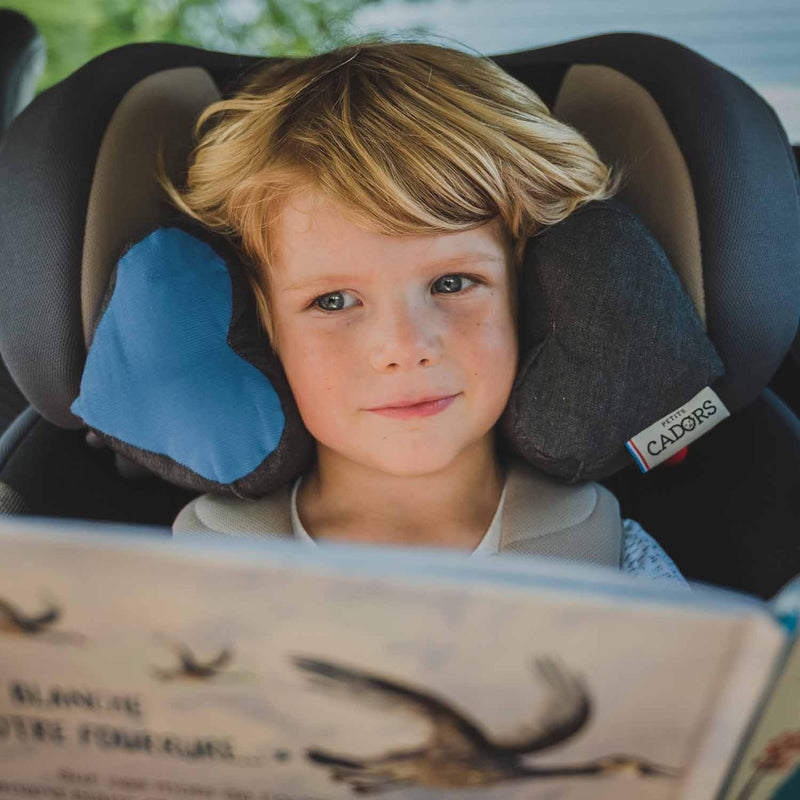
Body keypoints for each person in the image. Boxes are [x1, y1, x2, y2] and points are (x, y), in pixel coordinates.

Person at [158, 36, 688, 587]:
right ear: (260, 322)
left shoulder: (615, 569)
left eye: (453, 282)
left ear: (529, 294)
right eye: (332, 301)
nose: (405, 347)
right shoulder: (188, 583)